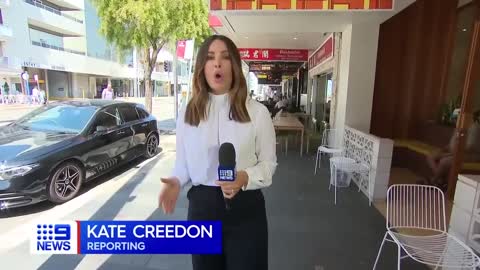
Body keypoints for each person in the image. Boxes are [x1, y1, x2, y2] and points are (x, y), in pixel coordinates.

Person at [158, 35, 277, 270]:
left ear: (234, 65)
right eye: (210, 58)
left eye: (225, 57)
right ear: (202, 67)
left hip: (246, 209)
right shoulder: (188, 112)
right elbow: (183, 164)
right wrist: (175, 181)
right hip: (203, 209)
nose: (217, 63)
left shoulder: (258, 113)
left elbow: (268, 165)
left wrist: (245, 177)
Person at [426, 125, 480, 189]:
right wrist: (442, 150)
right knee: (431, 156)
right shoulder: (460, 125)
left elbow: (470, 147)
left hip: (469, 155)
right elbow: (452, 143)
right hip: (453, 152)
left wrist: (449, 154)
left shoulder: (475, 128)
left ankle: (434, 180)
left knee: (444, 161)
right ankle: (440, 181)